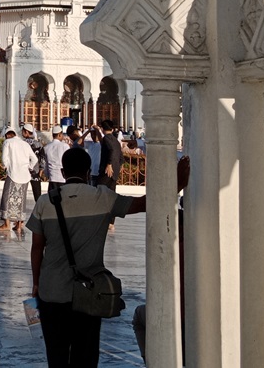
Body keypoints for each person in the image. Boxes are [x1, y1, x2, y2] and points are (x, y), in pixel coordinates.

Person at [29, 148, 191, 368]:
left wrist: (37, 283)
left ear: (63, 171)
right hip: (88, 292)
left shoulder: (45, 203)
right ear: (88, 172)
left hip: (52, 291)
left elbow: (37, 248)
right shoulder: (101, 198)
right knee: (85, 354)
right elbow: (144, 204)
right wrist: (177, 184)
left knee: (56, 354)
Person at [0, 126, 38, 232]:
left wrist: (5, 165)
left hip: (13, 174)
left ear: (7, 135)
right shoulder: (25, 144)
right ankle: (19, 225)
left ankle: (6, 224)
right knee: (21, 199)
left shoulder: (8, 142)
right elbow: (35, 158)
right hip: (25, 176)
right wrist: (29, 167)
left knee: (7, 198)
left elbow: (4, 159)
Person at [96, 120, 124, 191]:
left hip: (107, 171)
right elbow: (121, 156)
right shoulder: (116, 141)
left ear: (102, 129)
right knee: (111, 194)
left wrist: (109, 164)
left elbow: (112, 150)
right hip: (114, 172)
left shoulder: (106, 138)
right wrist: (118, 165)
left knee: (100, 191)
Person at [22, 123, 45, 201]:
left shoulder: (22, 144)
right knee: (37, 195)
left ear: (26, 132)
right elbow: (42, 158)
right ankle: (39, 211)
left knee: (21, 194)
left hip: (23, 172)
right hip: (36, 172)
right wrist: (41, 170)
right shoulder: (38, 144)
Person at [43, 126, 69, 192]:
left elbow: (45, 163)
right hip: (62, 178)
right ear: (60, 134)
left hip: (52, 178)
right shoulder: (65, 146)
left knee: (53, 199)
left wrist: (47, 175)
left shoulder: (47, 147)